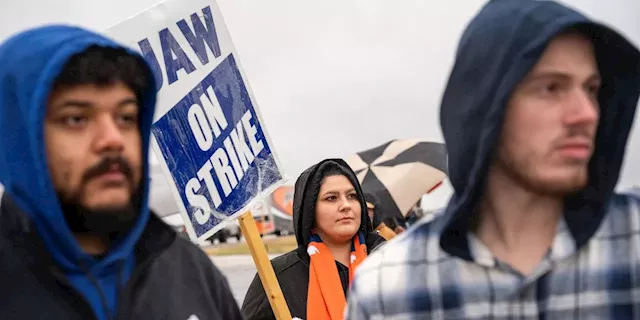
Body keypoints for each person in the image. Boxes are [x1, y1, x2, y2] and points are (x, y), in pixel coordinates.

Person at [346, 0, 640, 319]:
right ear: (484, 105)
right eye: (551, 87)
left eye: (592, 89)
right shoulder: (388, 289)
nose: (587, 114)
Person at [0, 25, 243, 319]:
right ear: (18, 140)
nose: (113, 139)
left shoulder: (188, 269)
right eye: (76, 118)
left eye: (126, 117)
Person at [242, 159, 385, 320]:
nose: (346, 205)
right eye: (331, 198)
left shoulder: (390, 261)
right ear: (309, 209)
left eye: (352, 196)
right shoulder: (278, 276)